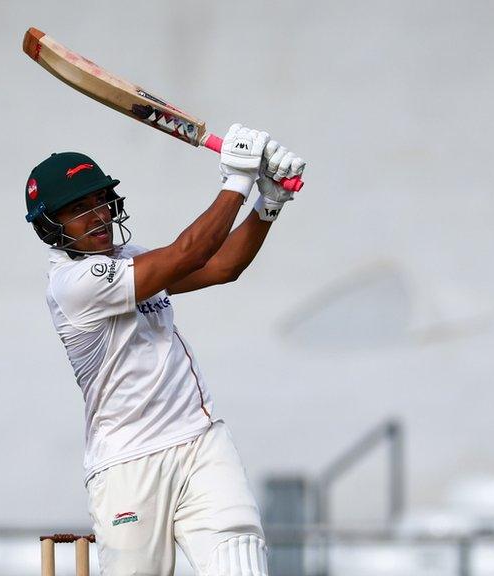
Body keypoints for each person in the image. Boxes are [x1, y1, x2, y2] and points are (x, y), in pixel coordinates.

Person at [24, 124, 305, 576]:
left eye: (100, 201)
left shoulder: (127, 258)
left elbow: (220, 266)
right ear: (50, 227)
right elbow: (185, 255)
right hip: (126, 462)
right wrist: (236, 180)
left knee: (241, 562)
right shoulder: (72, 285)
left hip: (199, 439)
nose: (97, 216)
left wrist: (267, 202)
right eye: (79, 209)